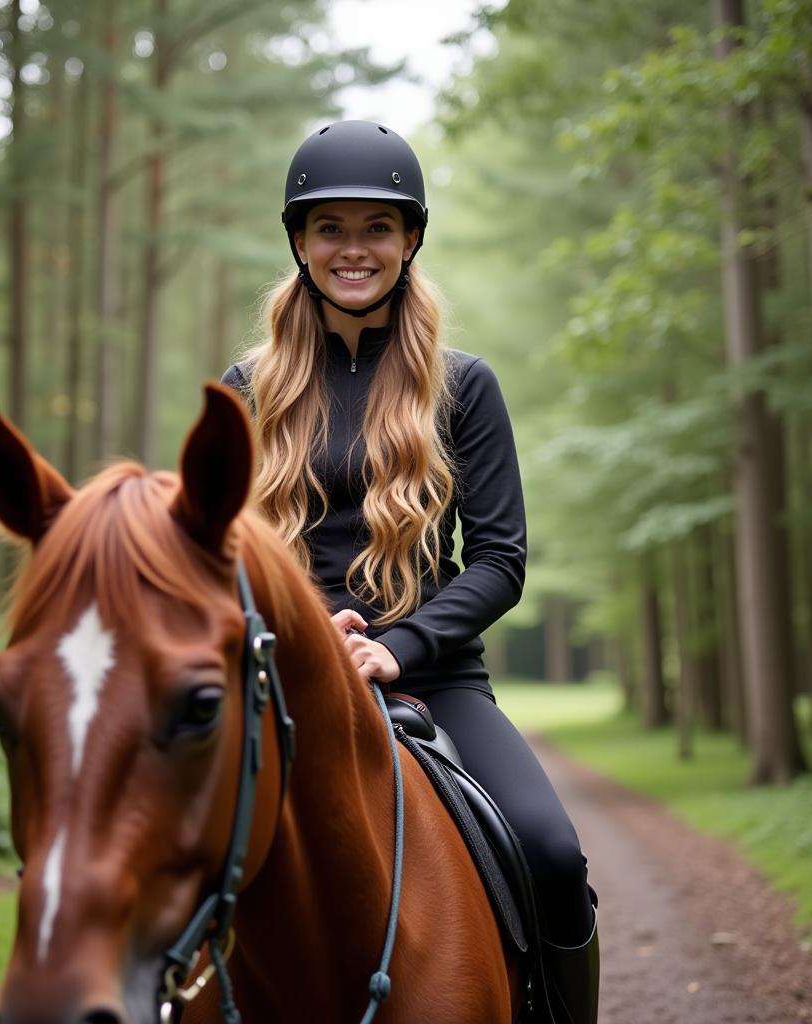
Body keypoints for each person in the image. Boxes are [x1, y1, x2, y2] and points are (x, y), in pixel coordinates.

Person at [221, 119, 599, 1024]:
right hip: (281, 683)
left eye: (376, 227)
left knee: (552, 855)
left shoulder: (464, 386)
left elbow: (500, 560)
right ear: (300, 243)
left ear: (411, 238)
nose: (354, 248)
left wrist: (396, 646)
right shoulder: (242, 389)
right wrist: (310, 635)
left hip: (435, 677)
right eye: (330, 228)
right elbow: (221, 558)